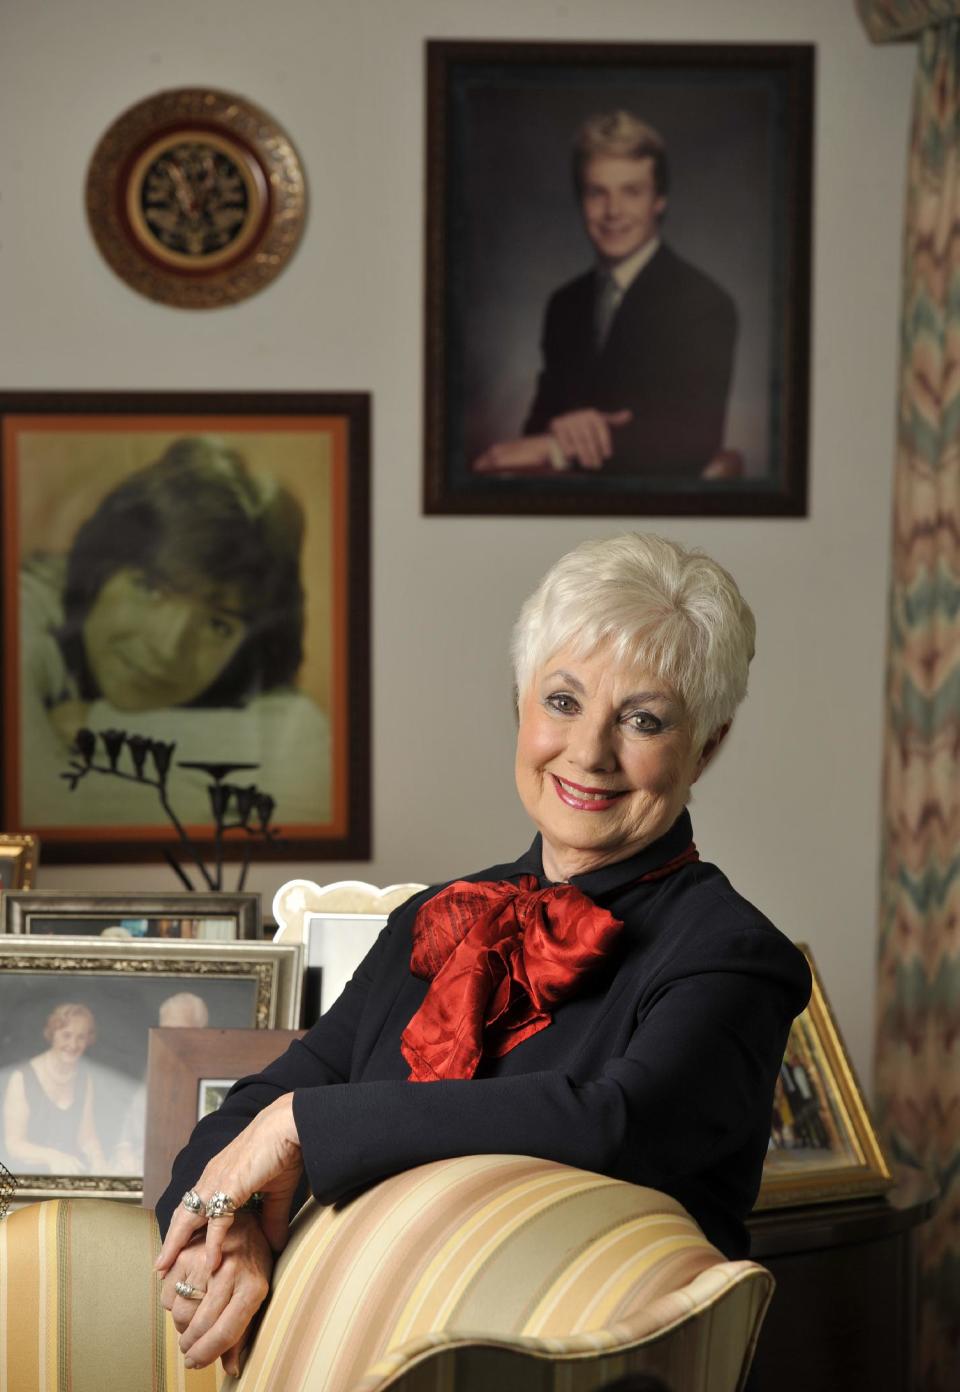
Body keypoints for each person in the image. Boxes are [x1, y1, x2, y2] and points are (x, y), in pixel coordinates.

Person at [154, 533, 810, 1377]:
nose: (590, 753)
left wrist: (302, 1127)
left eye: (643, 720)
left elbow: (615, 1124)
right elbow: (252, 1107)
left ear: (706, 747)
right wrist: (228, 1227)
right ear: (520, 705)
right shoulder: (435, 917)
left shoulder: (733, 955)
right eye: (563, 702)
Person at [19, 437, 330, 828]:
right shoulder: (24, 617)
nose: (167, 648)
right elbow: (39, 816)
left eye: (219, 624)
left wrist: (103, 725)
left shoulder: (256, 690)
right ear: (97, 572)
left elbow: (310, 749)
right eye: (150, 589)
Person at [473, 112, 738, 479]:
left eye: (631, 191)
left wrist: (560, 446)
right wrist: (564, 430)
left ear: (659, 200)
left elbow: (691, 439)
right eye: (598, 192)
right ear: (580, 200)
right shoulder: (564, 305)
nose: (613, 212)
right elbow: (536, 428)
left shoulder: (704, 304)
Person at [112, 992, 211, 1175]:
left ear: (200, 1031)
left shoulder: (213, 1073)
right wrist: (124, 1149)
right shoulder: (155, 1067)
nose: (169, 1038)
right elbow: (131, 1125)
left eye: (178, 1030)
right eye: (165, 1030)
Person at [2, 1002, 106, 1175]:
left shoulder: (84, 1079)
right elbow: (14, 1145)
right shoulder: (21, 1078)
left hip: (70, 1173)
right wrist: (53, 1156)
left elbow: (86, 1137)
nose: (73, 1044)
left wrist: (99, 1160)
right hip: (26, 1178)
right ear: (52, 1034)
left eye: (81, 1037)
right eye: (66, 1035)